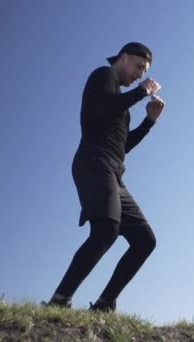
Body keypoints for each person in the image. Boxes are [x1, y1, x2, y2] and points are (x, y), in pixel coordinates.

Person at [45, 42, 165, 312]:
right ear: (123, 57)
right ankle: (59, 300)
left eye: (143, 72)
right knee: (106, 231)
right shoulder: (102, 76)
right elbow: (103, 109)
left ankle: (104, 304)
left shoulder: (122, 107)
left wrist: (149, 121)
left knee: (145, 241)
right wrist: (141, 91)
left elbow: (123, 148)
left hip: (114, 171)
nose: (139, 75)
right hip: (93, 163)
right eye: (138, 67)